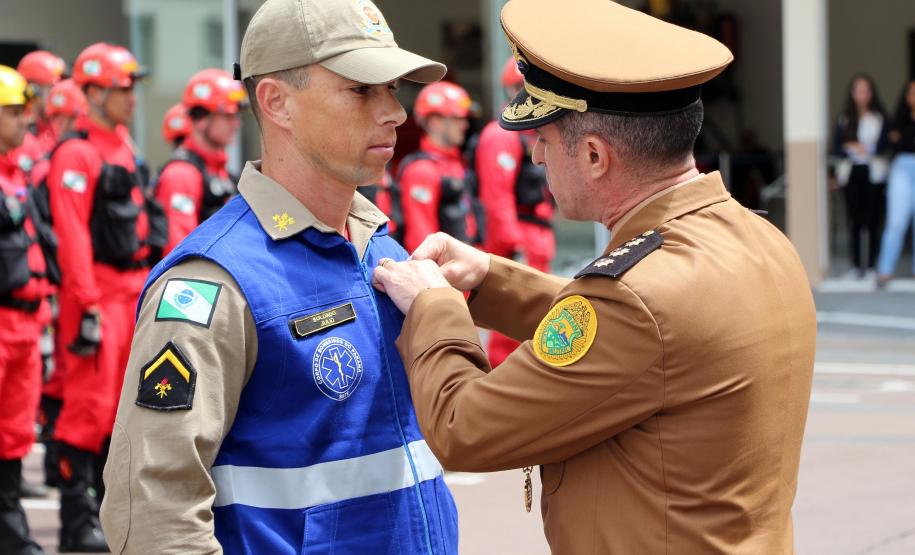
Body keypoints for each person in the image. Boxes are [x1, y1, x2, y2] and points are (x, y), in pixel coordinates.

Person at [372, 1, 817, 553]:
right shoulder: (754, 238)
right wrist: (489, 277)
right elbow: (650, 335)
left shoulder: (637, 299)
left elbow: (464, 428)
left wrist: (434, 306)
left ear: (594, 155)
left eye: (545, 139)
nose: (534, 155)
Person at [100, 0, 458, 553]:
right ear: (277, 103)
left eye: (393, 88)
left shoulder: (384, 249)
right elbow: (154, 509)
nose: (395, 112)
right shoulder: (212, 285)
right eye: (362, 90)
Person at [46, 42, 152, 553]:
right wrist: (86, 303)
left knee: (123, 411)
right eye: (122, 88)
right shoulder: (77, 152)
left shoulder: (124, 145)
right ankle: (76, 521)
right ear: (92, 92)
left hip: (131, 292)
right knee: (86, 411)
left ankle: (115, 514)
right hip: (97, 296)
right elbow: (71, 234)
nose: (132, 97)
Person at [0, 64, 53, 555]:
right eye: (14, 113)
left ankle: (10, 529)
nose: (25, 121)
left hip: (23, 317)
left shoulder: (17, 172)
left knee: (16, 428)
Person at [475, 56, 555, 366]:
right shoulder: (501, 135)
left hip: (534, 235)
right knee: (511, 322)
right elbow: (496, 197)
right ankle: (502, 379)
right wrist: (513, 246)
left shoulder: (530, 135)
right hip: (518, 238)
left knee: (536, 318)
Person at [153, 68, 246, 256]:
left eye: (236, 116)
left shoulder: (222, 172)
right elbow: (179, 252)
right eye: (227, 116)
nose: (236, 124)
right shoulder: (181, 175)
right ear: (201, 119)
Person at [399, 81, 480, 252]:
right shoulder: (421, 170)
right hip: (444, 273)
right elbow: (420, 240)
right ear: (435, 122)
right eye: (458, 118)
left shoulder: (456, 163)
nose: (465, 125)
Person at [831, 74, 890, 279]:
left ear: (871, 93)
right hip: (851, 172)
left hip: (875, 173)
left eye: (866, 90)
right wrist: (855, 148)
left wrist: (865, 147)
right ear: (852, 93)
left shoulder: (880, 118)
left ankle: (872, 265)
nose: (862, 94)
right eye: (858, 90)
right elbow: (837, 147)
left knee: (873, 219)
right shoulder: (844, 118)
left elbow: (884, 145)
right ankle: (856, 265)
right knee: (854, 219)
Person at [876, 79, 915, 287]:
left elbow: (902, 140)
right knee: (896, 221)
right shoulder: (898, 119)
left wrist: (904, 139)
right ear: (906, 96)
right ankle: (885, 269)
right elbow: (891, 141)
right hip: (902, 167)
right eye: (912, 93)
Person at [16, 50, 68, 164]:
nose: (60, 94)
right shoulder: (17, 133)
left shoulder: (63, 126)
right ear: (33, 90)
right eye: (54, 88)